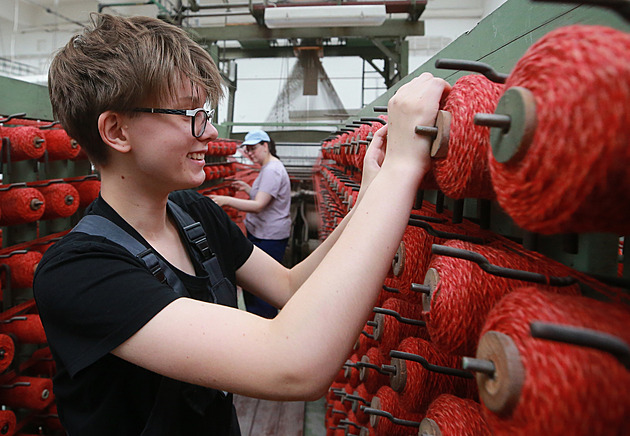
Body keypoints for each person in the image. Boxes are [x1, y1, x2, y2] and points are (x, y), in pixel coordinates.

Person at [33, 12, 450, 436]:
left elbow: (290, 287)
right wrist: (401, 167)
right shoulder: (80, 272)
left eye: (207, 112)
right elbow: (293, 365)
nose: (210, 131)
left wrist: (368, 198)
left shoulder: (195, 214)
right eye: (189, 114)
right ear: (116, 130)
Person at [211, 129, 290, 318]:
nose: (251, 153)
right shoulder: (268, 166)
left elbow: (258, 205)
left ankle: (264, 325)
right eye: (248, 150)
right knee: (259, 287)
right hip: (264, 233)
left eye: (254, 148)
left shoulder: (272, 170)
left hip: (268, 236)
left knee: (262, 289)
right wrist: (247, 188)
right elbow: (263, 195)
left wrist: (225, 201)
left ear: (265, 145)